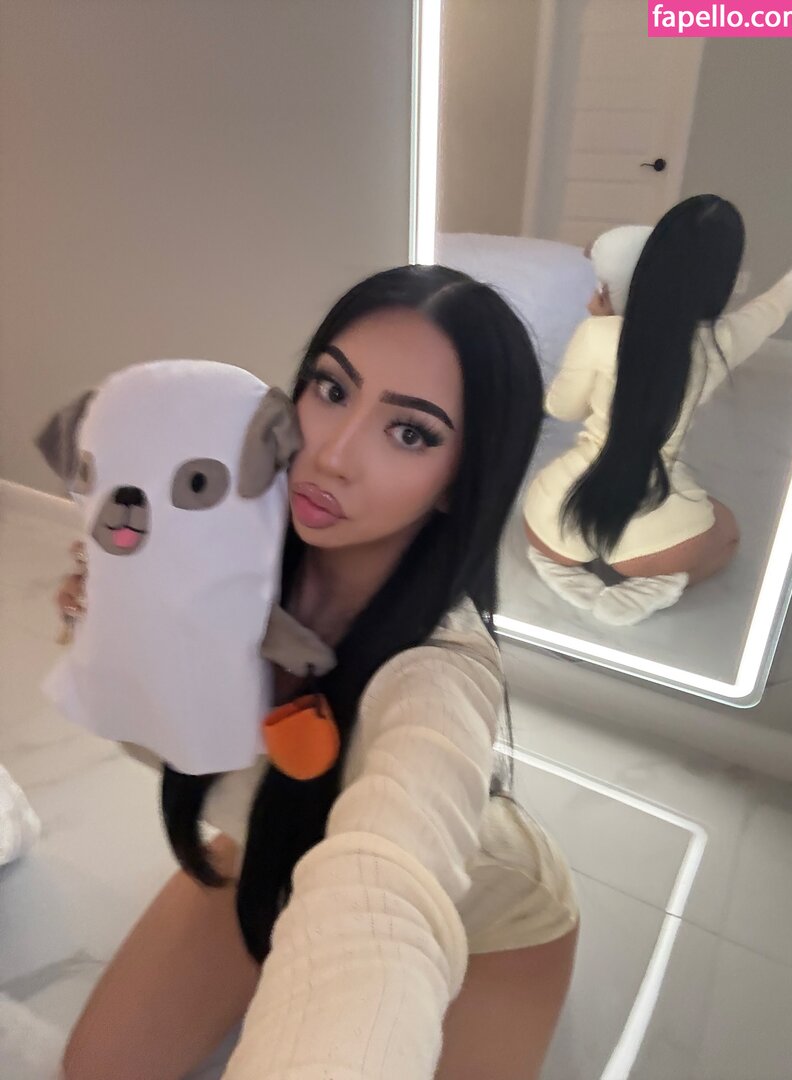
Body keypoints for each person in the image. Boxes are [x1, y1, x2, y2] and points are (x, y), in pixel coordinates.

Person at [56, 265, 579, 1080]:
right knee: (96, 1069)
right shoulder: (217, 545)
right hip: (274, 842)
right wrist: (120, 639)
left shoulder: (441, 676)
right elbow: (173, 744)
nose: (332, 456)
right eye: (332, 390)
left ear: (458, 483)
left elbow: (386, 897)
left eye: (411, 433)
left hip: (490, 919)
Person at [524, 195, 792, 626]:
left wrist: (597, 325)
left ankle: (559, 567)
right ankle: (651, 584)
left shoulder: (600, 333)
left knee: (551, 525)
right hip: (651, 531)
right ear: (725, 279)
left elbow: (560, 407)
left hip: (555, 516)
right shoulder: (720, 343)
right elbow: (777, 304)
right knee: (728, 532)